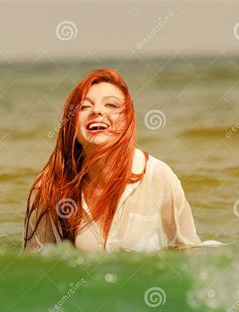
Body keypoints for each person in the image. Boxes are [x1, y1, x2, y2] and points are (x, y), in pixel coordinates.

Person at [23, 68, 220, 252]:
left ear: (127, 120)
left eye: (111, 105)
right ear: (71, 124)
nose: (97, 111)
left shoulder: (158, 177)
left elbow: (189, 251)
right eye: (84, 106)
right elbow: (36, 267)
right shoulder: (48, 188)